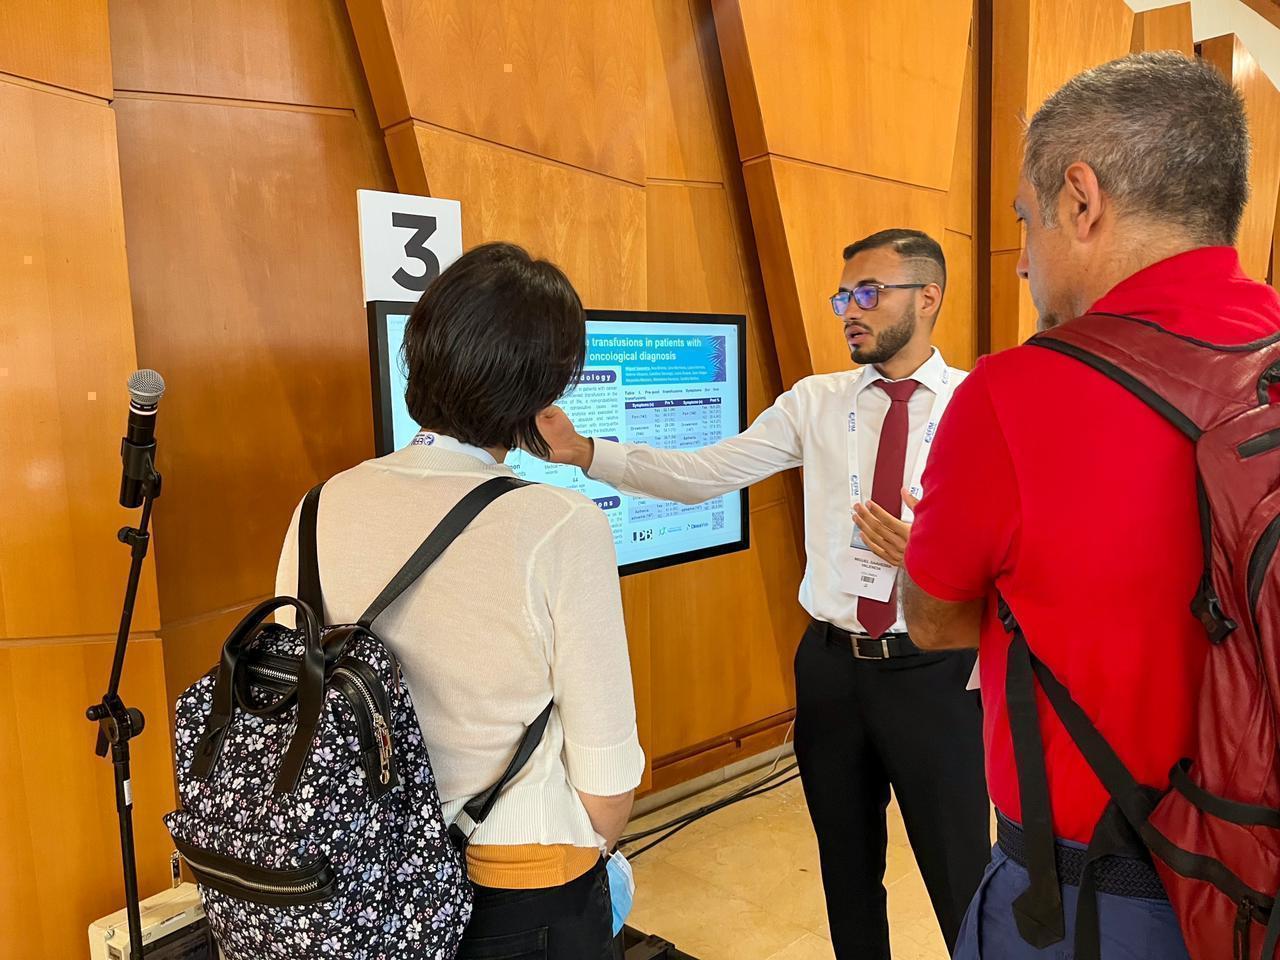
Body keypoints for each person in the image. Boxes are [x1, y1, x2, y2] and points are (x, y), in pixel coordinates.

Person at [903, 52, 1280, 958]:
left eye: (1026, 223)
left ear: (1082, 198)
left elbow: (934, 622)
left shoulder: (1014, 394)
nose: (1025, 261)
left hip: (1096, 902)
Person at [535, 229, 990, 959]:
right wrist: (588, 453)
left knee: (963, 874)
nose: (849, 310)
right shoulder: (815, 402)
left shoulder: (979, 403)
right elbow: (706, 472)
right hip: (833, 670)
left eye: (868, 293)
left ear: (928, 297)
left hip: (935, 670)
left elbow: (1018, 546)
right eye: (844, 296)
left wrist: (934, 562)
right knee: (846, 869)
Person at [275, 242, 645, 960]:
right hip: (518, 876)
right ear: (541, 394)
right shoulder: (560, 524)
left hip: (357, 867)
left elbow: (303, 695)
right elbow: (606, 785)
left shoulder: (317, 506)